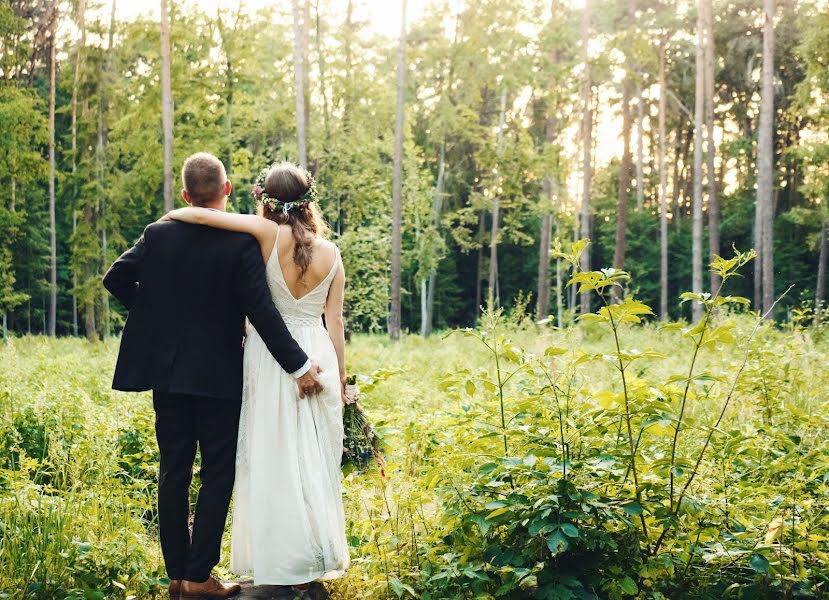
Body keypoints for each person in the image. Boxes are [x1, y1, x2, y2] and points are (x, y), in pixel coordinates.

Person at [103, 152, 323, 599]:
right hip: (220, 373)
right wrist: (299, 365)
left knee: (174, 470)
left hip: (167, 374)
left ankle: (177, 575)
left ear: (185, 195)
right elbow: (261, 312)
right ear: (226, 190)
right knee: (217, 471)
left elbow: (116, 278)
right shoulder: (239, 242)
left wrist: (156, 317)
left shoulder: (157, 234)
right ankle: (200, 576)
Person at [165, 161, 349, 597]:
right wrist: (339, 379)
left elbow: (204, 215)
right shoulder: (332, 254)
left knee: (270, 455)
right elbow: (335, 322)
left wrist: (174, 215)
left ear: (265, 199)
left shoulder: (264, 234)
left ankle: (274, 558)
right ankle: (309, 560)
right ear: (309, 200)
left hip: (271, 354)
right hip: (316, 355)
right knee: (312, 458)